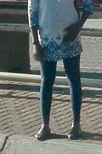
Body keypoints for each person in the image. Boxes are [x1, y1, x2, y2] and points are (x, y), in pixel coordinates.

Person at [28, 0, 94, 140]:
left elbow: (89, 4)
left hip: (71, 35)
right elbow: (32, 10)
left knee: (74, 79)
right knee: (46, 81)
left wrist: (78, 26)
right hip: (46, 37)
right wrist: (35, 41)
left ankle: (76, 125)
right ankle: (45, 125)